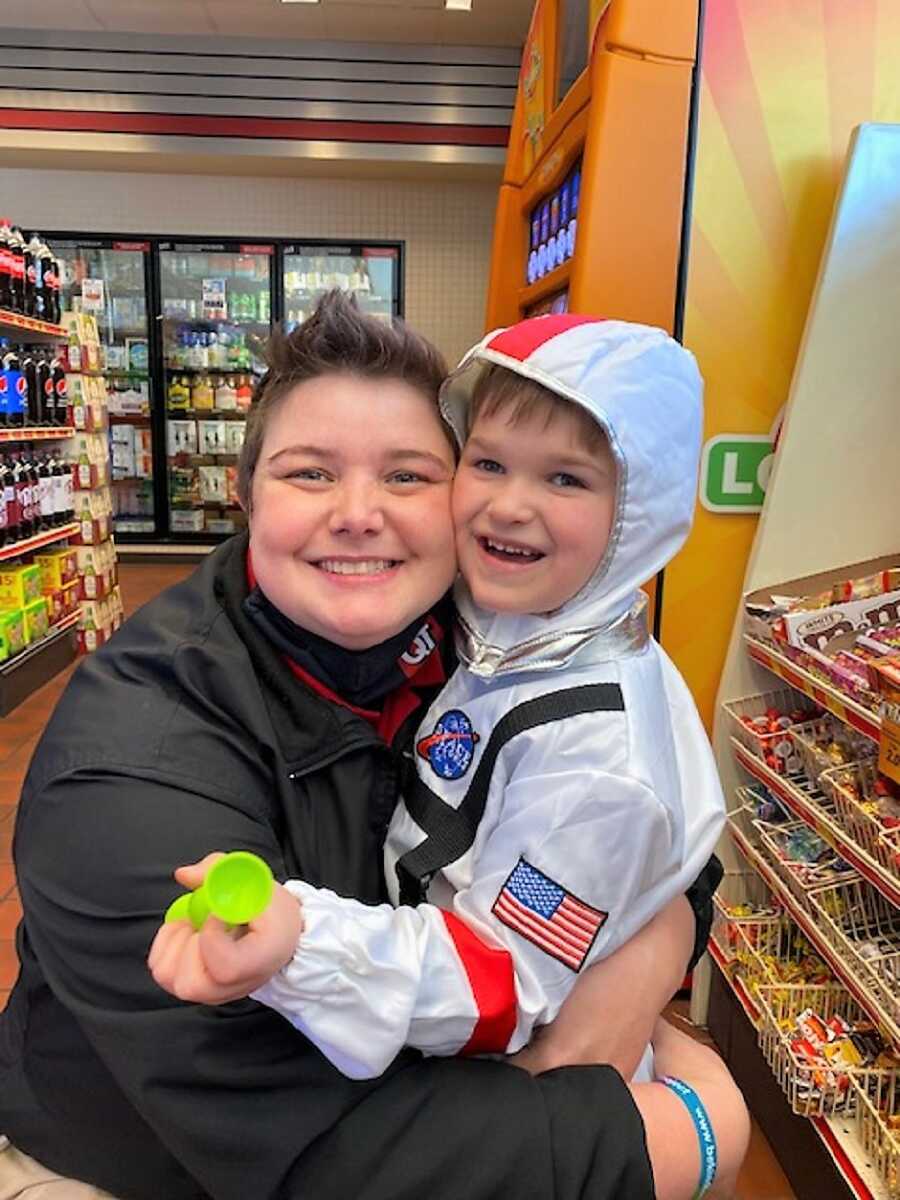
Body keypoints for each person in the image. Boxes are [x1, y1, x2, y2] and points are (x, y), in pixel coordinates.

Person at [0, 294, 742, 1200]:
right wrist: (684, 1136)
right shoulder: (131, 770)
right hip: (145, 1168)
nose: (359, 515)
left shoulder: (496, 636)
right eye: (310, 474)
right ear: (243, 494)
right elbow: (319, 1148)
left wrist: (654, 944)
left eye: (407, 476)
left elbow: (647, 835)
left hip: (438, 1078)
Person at [150, 315, 727, 1094]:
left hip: (504, 1092)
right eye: (487, 463)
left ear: (639, 517)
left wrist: (305, 944)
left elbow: (502, 981)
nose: (510, 506)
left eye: (567, 479)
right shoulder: (499, 619)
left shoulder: (598, 761)